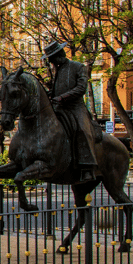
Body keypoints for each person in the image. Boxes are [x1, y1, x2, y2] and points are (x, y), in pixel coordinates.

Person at [43, 41, 99, 182]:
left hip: (75, 108)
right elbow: (56, 90)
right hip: (59, 108)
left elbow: (81, 88)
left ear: (60, 55)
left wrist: (63, 97)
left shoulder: (78, 67)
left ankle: (87, 167)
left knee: (81, 130)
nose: (51, 62)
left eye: (52, 58)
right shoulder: (58, 70)